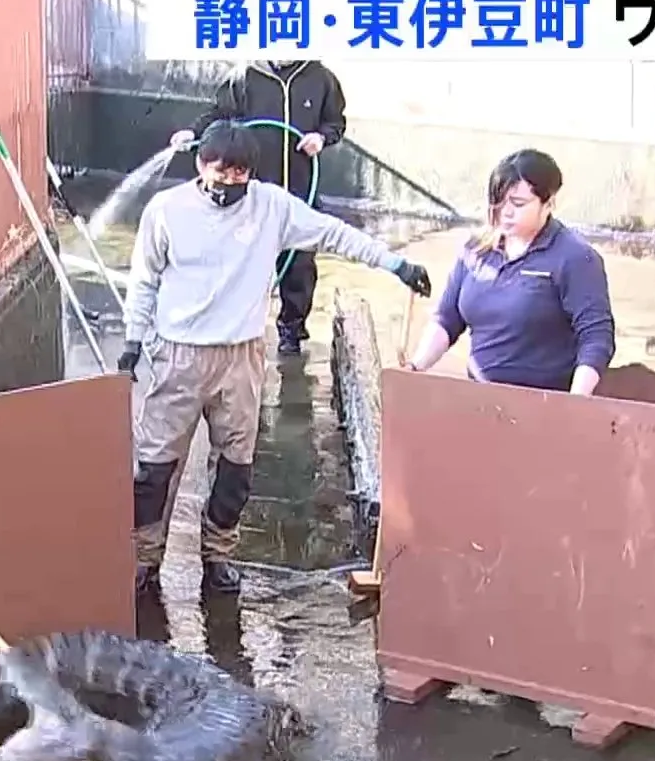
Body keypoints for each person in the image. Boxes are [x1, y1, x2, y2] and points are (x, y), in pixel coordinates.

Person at [123, 121, 431, 596]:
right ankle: (144, 559)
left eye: (240, 172)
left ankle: (218, 556)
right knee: (154, 466)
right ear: (201, 164)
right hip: (178, 355)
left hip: (242, 356)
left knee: (235, 467)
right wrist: (131, 342)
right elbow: (144, 280)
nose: (229, 182)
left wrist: (395, 265)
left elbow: (334, 235)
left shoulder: (272, 207)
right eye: (220, 171)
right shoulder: (167, 211)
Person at [169, 60, 349, 357]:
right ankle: (233, 327)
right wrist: (193, 133)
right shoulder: (245, 76)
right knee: (242, 260)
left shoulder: (321, 77)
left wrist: (321, 137)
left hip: (298, 189)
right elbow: (220, 116)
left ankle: (291, 332)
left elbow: (335, 122)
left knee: (299, 266)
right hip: (250, 192)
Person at [399, 149, 616, 394]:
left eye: (518, 204)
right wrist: (416, 367)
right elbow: (447, 320)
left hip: (544, 400)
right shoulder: (477, 249)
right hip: (480, 397)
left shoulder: (575, 257)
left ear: (549, 203)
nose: (506, 213)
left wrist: (575, 402)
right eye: (498, 202)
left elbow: (596, 337)